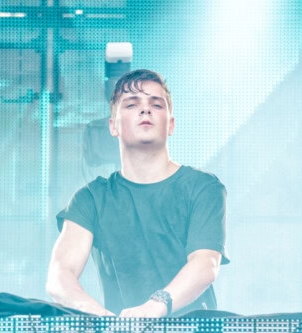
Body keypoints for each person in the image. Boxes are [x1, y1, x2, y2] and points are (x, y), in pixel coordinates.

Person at [46, 69, 229, 317]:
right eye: (132, 104)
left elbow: (205, 263)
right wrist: (102, 318)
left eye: (156, 104)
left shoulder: (203, 187)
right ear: (113, 126)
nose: (146, 110)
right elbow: (60, 275)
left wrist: (156, 306)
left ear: (171, 125)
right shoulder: (91, 198)